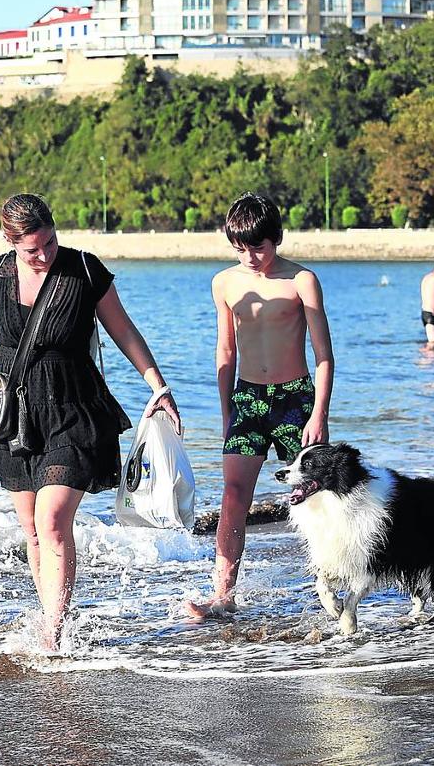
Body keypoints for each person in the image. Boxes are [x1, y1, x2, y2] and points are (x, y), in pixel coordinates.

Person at [0, 193, 180, 648]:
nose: (43, 255)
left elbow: (124, 329)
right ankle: (51, 618)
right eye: (32, 249)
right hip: (11, 414)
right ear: (9, 242)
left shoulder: (83, 270)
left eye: (50, 242)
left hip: (73, 407)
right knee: (33, 529)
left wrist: (157, 386)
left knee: (53, 518)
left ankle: (54, 633)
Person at [186, 193, 334, 618]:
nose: (250, 256)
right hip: (248, 398)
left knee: (319, 495)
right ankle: (223, 594)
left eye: (259, 246)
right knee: (233, 496)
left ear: (277, 238)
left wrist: (319, 412)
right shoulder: (225, 283)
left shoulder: (301, 281)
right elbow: (225, 351)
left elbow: (324, 355)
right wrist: (226, 410)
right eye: (240, 248)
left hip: (295, 400)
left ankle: (333, 584)